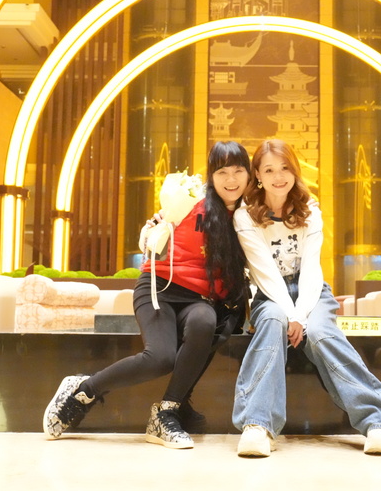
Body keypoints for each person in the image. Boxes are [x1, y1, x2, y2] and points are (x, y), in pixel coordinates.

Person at [43, 141, 251, 448]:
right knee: (160, 358)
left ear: (249, 174)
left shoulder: (249, 215)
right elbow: (152, 234)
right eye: (222, 172)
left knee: (205, 322)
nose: (230, 179)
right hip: (159, 288)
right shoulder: (190, 200)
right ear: (211, 175)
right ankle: (84, 391)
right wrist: (152, 229)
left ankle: (165, 414)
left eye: (238, 171)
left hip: (199, 300)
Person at [232, 139, 381, 457]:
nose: (278, 176)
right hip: (270, 292)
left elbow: (311, 268)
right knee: (272, 322)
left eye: (285, 168)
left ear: (295, 170)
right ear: (257, 175)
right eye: (269, 170)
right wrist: (289, 314)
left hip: (311, 291)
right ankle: (257, 425)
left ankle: (378, 421)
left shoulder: (310, 210)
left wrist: (301, 314)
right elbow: (264, 272)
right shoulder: (245, 216)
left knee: (321, 333)